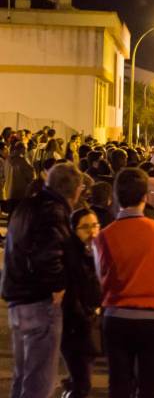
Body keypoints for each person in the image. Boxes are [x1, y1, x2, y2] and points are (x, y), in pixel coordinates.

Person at [1, 162, 84, 398]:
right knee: (39, 379)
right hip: (39, 301)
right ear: (75, 189)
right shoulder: (53, 211)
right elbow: (47, 254)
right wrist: (57, 286)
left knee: (23, 374)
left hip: (18, 299)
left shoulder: (28, 206)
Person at [93, 168, 154, 398]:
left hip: (117, 316)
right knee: (151, 388)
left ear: (116, 197)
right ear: (144, 197)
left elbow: (100, 274)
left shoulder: (103, 236)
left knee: (119, 385)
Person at [61, 208, 103, 398]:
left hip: (90, 323)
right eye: (85, 227)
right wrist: (88, 316)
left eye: (95, 225)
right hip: (74, 326)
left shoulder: (97, 252)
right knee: (82, 381)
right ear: (74, 230)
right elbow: (70, 295)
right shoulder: (69, 256)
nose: (92, 231)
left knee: (81, 377)